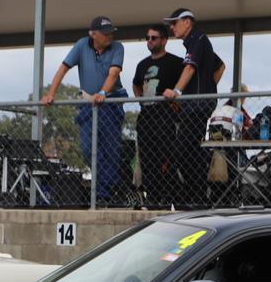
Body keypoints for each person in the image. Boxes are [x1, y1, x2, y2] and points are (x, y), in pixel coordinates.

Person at [42, 16, 127, 203]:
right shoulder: (82, 45)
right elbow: (63, 68)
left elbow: (114, 73)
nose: (109, 36)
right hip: (89, 103)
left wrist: (103, 92)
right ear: (93, 34)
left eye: (111, 32)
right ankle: (109, 187)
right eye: (105, 33)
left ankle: (105, 192)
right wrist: (50, 94)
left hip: (110, 101)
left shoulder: (117, 47)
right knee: (89, 149)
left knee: (111, 149)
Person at [161, 7, 220, 205]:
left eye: (174, 22)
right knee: (192, 152)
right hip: (195, 105)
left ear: (187, 22)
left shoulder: (198, 38)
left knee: (181, 151)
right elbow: (220, 65)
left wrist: (177, 91)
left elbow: (190, 67)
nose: (171, 27)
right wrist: (209, 88)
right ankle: (198, 198)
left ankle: (194, 197)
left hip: (197, 107)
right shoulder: (196, 42)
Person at [132, 24, 184, 207]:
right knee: (147, 160)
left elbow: (186, 84)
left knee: (168, 159)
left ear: (164, 40)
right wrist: (140, 98)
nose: (149, 41)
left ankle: (172, 198)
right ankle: (153, 199)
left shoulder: (176, 63)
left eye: (154, 38)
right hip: (146, 116)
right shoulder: (142, 64)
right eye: (147, 38)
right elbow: (136, 83)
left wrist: (176, 96)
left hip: (166, 117)